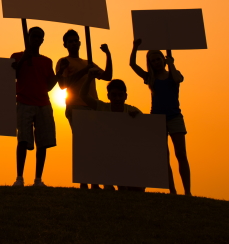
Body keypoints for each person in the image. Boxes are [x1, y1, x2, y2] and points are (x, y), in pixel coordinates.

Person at [11, 26, 71, 188]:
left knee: (43, 142)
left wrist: (60, 73)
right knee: (23, 140)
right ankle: (19, 177)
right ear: (28, 37)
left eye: (39, 37)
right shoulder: (16, 56)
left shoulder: (46, 61)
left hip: (43, 103)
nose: (36, 39)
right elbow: (12, 75)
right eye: (34, 36)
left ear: (42, 40)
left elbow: (49, 85)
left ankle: (38, 179)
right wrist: (24, 58)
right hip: (24, 101)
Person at [130, 39, 191, 196]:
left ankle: (188, 191)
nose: (156, 62)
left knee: (181, 154)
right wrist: (135, 47)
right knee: (164, 157)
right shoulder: (150, 78)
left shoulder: (173, 75)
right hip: (157, 119)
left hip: (175, 117)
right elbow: (132, 65)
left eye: (158, 59)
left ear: (163, 59)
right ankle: (172, 190)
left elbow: (178, 79)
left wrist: (171, 63)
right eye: (153, 60)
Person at [78, 55, 144, 192]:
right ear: (108, 96)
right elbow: (83, 96)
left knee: (136, 189)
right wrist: (89, 78)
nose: (118, 98)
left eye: (120, 95)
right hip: (107, 156)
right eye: (114, 95)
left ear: (126, 96)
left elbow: (144, 130)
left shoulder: (132, 110)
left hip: (127, 157)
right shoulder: (102, 107)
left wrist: (137, 118)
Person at [56, 29, 112, 189]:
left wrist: (108, 54)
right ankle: (84, 181)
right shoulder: (63, 61)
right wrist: (84, 71)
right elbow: (63, 84)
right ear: (65, 44)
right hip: (76, 106)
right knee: (83, 143)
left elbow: (108, 76)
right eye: (71, 41)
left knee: (94, 144)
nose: (74, 43)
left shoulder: (88, 63)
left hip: (93, 106)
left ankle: (94, 181)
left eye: (76, 40)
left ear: (80, 42)